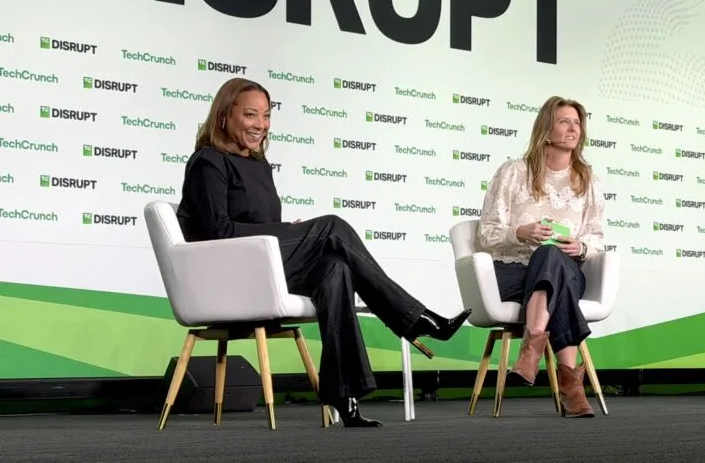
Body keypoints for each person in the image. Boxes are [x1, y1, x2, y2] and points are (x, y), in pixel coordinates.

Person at [175, 77, 471, 428]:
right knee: (332, 226)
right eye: (251, 115)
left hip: (261, 273)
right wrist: (289, 232)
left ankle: (345, 397)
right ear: (224, 116)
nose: (261, 125)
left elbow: (262, 229)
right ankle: (414, 319)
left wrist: (288, 232)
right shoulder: (208, 162)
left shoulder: (258, 164)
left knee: (335, 269)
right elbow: (217, 232)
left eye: (266, 115)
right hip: (228, 281)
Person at [477, 96, 605, 418]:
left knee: (553, 258)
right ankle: (571, 384)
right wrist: (520, 233)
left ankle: (531, 351)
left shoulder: (588, 180)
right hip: (514, 273)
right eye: (564, 121)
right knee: (552, 271)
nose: (573, 128)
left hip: (569, 268)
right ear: (546, 129)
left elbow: (596, 237)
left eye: (577, 123)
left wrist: (581, 247)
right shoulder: (513, 172)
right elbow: (486, 233)